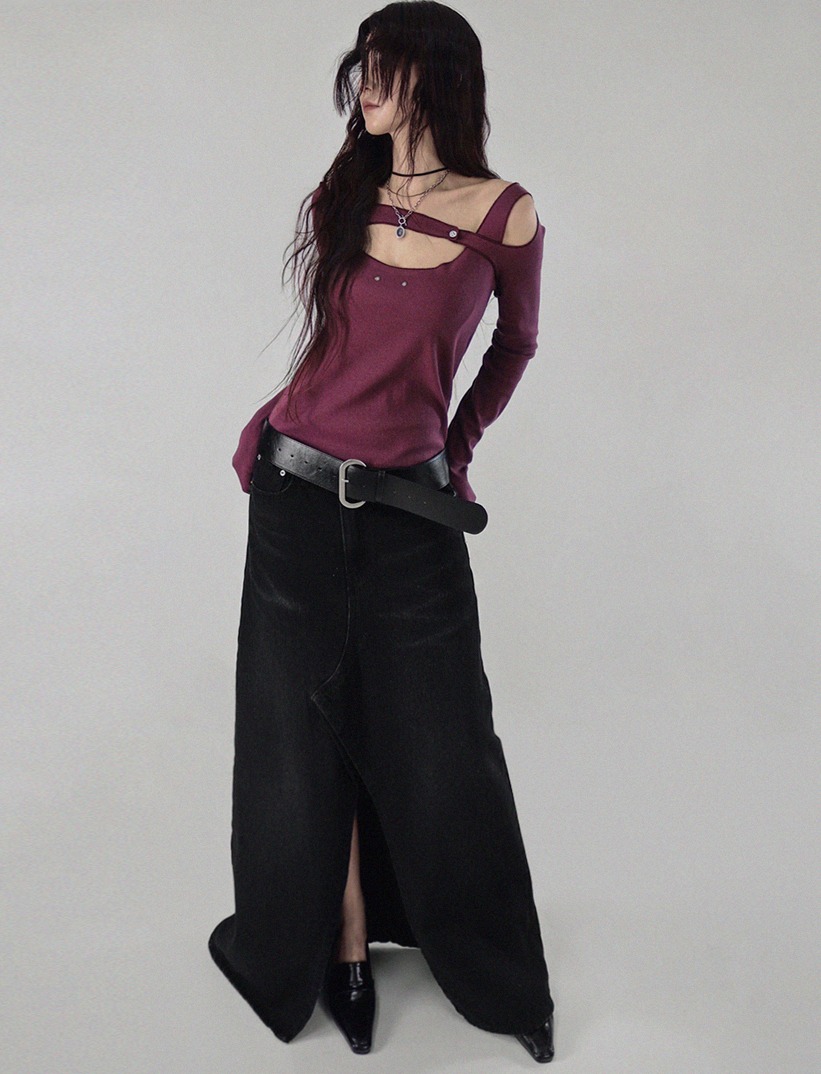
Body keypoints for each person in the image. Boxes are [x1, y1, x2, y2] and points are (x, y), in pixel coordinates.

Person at [208, 1, 556, 1063]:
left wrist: (456, 445)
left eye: (384, 67)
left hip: (410, 509)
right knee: (297, 737)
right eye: (360, 66)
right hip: (294, 487)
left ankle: (498, 979)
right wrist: (269, 424)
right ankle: (342, 946)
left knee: (446, 745)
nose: (363, 84)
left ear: (437, 78)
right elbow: (334, 347)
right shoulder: (345, 191)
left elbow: (514, 347)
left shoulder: (503, 215)